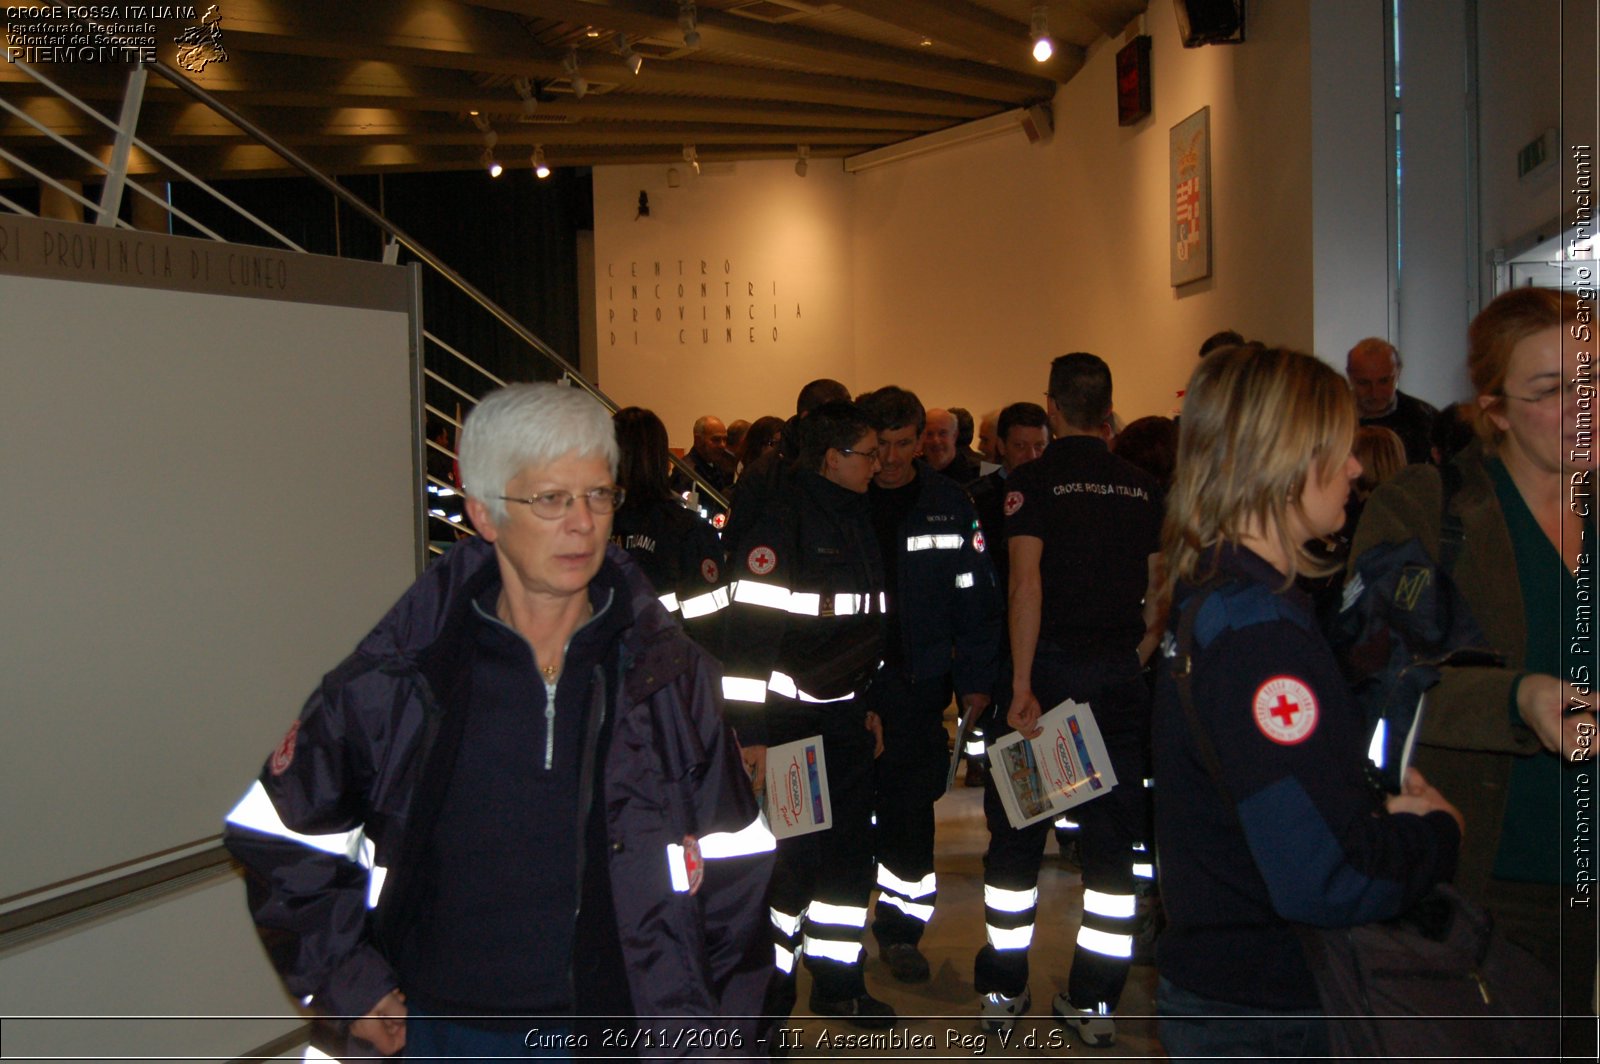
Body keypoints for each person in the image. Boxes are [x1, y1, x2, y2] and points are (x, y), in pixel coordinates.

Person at [223, 384, 775, 1059]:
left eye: (599, 494)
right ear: (483, 513)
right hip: (448, 1034)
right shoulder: (404, 676)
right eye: (550, 499)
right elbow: (279, 831)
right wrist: (347, 980)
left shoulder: (666, 677)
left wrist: (723, 1039)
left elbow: (734, 871)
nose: (583, 523)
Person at [1153, 346, 1463, 1060]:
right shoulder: (1260, 636)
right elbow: (1325, 879)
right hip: (1265, 1004)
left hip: (1227, 983)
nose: (1356, 469)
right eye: (1341, 449)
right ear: (1282, 459)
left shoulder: (1216, 598)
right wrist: (1437, 837)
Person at [1350, 288, 1597, 1048]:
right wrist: (1516, 698)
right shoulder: (1429, 510)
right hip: (1490, 880)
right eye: (1552, 390)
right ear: (1492, 408)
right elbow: (1379, 669)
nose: (1582, 407)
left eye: (1592, 381)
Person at [974, 354, 1162, 1045]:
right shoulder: (1144, 489)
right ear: (1108, 407)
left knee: (1019, 845)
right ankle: (1094, 1004)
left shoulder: (1032, 483)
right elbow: (1159, 596)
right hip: (1116, 682)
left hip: (1048, 684)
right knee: (1112, 851)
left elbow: (1028, 587)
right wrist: (1130, 661)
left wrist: (1022, 685)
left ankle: (1003, 990)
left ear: (1051, 407)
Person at [707, 400, 896, 1026]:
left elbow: (865, 623)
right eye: (869, 453)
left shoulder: (859, 515)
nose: (880, 463)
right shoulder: (781, 521)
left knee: (848, 860)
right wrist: (751, 733)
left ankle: (839, 982)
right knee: (790, 868)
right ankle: (771, 1000)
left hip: (844, 717)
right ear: (832, 458)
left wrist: (864, 702)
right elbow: (749, 639)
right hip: (789, 725)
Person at [854, 386, 1001, 983]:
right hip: (845, 686)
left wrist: (976, 679)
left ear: (922, 441)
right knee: (843, 812)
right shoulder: (841, 498)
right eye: (878, 446)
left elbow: (976, 598)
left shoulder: (948, 503)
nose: (888, 460)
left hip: (918, 684)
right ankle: (831, 929)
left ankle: (901, 930)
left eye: (901, 445)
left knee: (910, 814)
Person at [962, 402, 1049, 787]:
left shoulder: (1056, 494)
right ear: (1000, 445)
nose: (1030, 456)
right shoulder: (978, 497)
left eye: (1039, 447)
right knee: (1007, 747)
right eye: (1020, 446)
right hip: (993, 637)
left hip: (1046, 635)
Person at [610, 406, 725, 621]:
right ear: (661, 457)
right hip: (666, 650)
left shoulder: (588, 526)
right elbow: (708, 625)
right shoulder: (688, 531)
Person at [1346, 337, 1439, 464]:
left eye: (1384, 381)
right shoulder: (1332, 419)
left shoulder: (1425, 418)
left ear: (1398, 373)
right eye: (1364, 383)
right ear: (1350, 377)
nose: (1375, 393)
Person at [672, 414, 736, 519]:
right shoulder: (686, 473)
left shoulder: (720, 465)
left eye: (725, 440)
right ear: (698, 440)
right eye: (716, 440)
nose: (722, 445)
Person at [921, 407, 980, 485]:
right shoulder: (912, 472)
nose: (936, 441)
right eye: (929, 434)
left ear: (954, 436)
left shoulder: (977, 474)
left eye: (942, 433)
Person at [735, 415, 784, 480]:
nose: (780, 450)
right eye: (775, 444)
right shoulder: (745, 479)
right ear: (757, 445)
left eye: (783, 444)